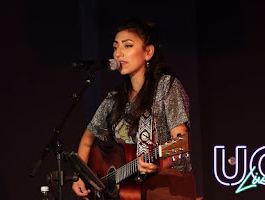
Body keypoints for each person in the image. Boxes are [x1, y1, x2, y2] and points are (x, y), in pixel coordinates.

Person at [72, 19, 196, 200]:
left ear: (148, 52)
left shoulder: (166, 87)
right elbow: (87, 139)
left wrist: (158, 164)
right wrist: (82, 177)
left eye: (127, 46)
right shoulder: (115, 97)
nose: (118, 53)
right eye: (115, 47)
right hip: (127, 192)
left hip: (168, 186)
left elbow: (180, 141)